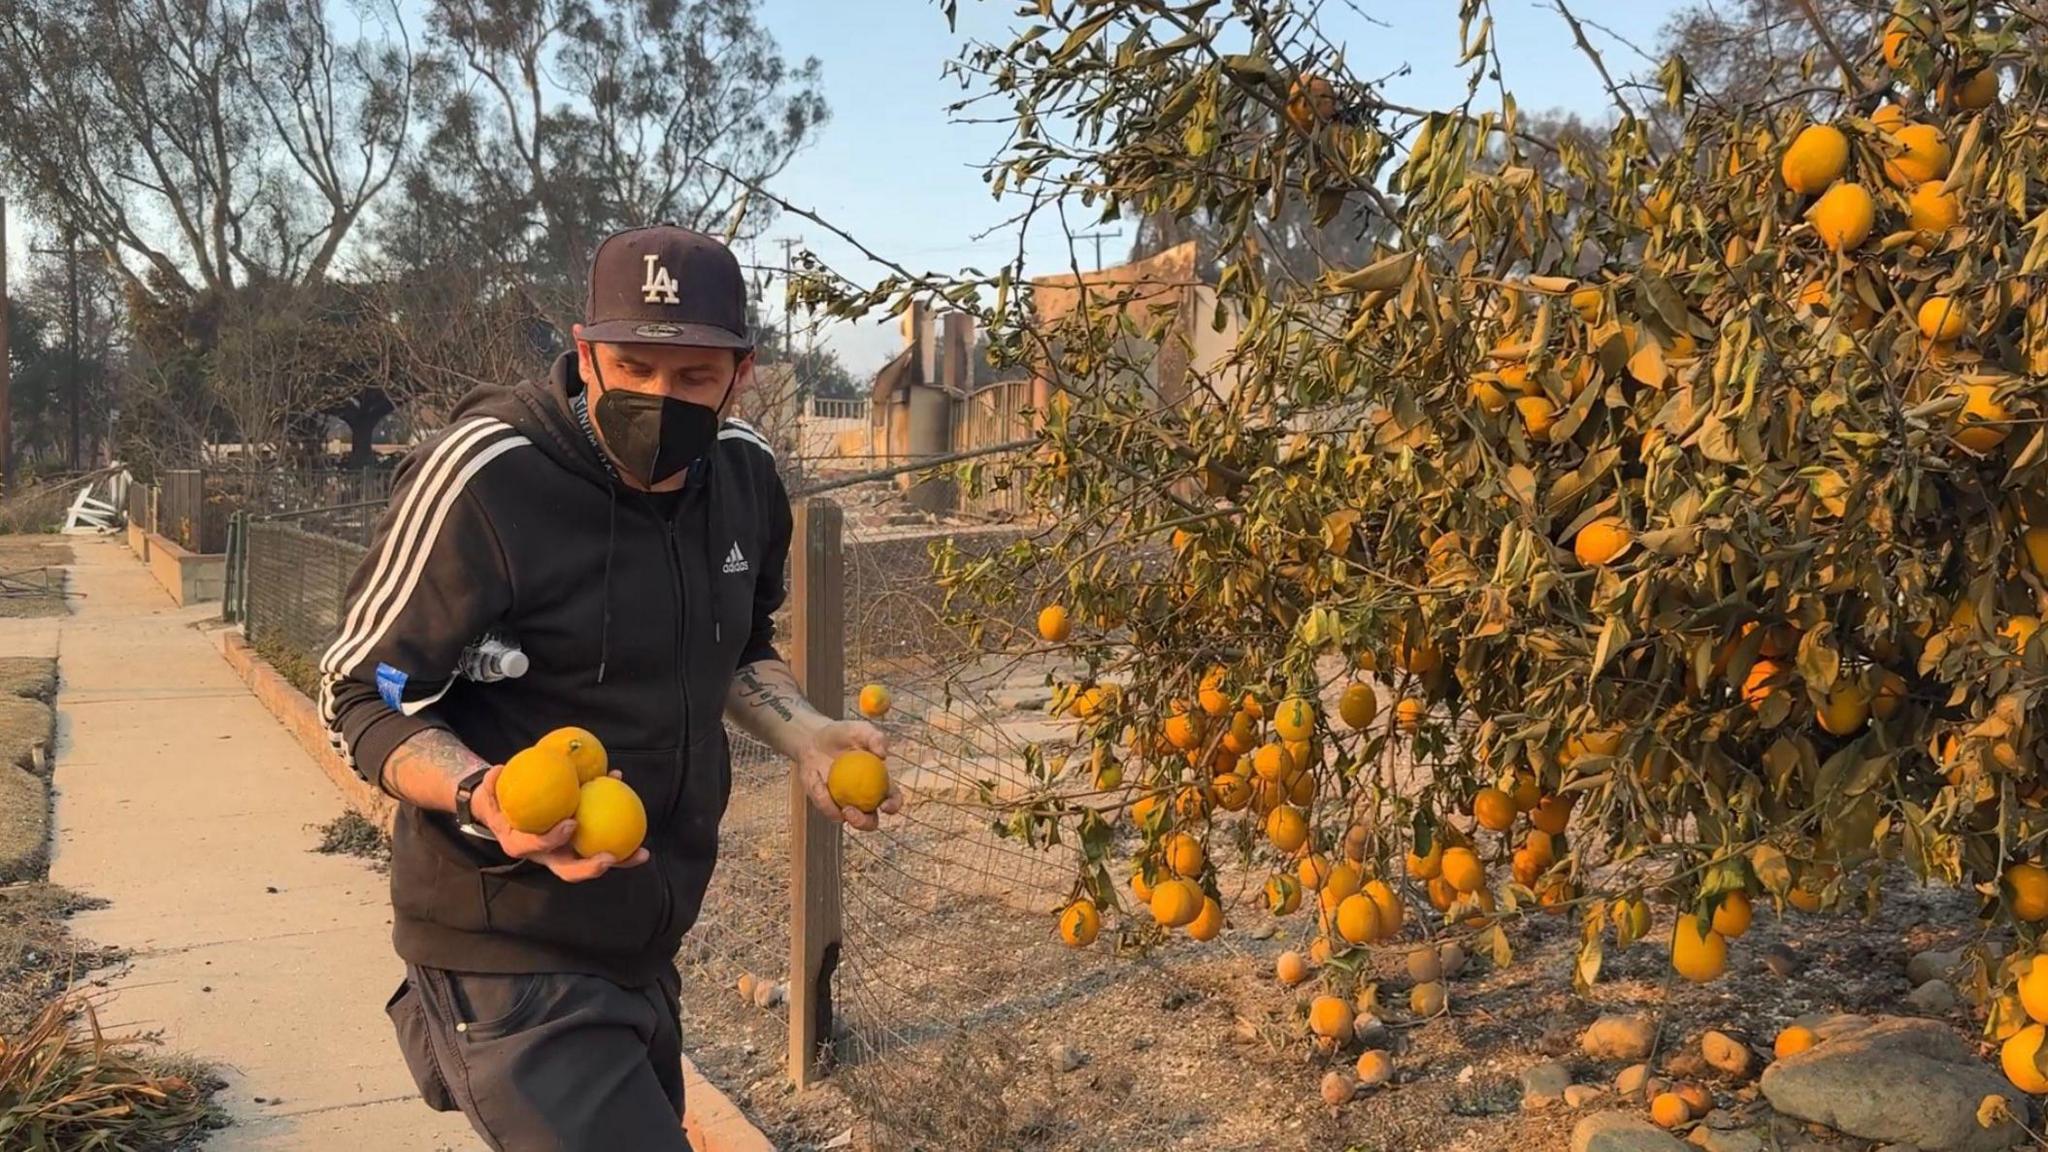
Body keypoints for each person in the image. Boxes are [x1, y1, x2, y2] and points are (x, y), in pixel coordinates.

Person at [320, 224, 898, 1151]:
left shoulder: (744, 473)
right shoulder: (487, 477)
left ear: (742, 373)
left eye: (694, 378)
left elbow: (739, 647)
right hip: (505, 941)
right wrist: (484, 792)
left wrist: (807, 735)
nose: (658, 399)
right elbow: (360, 693)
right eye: (631, 366)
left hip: (644, 938)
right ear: (585, 354)